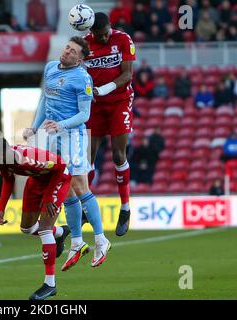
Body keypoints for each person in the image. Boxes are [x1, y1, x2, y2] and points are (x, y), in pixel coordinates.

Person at [23, 36, 111, 272]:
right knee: (67, 188)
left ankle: (101, 240)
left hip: (73, 137)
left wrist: (61, 125)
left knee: (81, 186)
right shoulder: (50, 67)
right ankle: (77, 242)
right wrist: (34, 126)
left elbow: (84, 115)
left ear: (81, 58)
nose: (67, 52)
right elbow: (44, 99)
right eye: (67, 48)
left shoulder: (83, 79)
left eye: (73, 51)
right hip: (52, 137)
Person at [0, 135, 71, 300]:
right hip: (36, 182)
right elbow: (8, 180)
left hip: (57, 180)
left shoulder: (27, 159)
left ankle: (50, 284)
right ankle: (60, 232)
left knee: (45, 230)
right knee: (27, 228)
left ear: (5, 152)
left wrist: (48, 198)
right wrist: (1, 208)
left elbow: (60, 167)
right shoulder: (2, 160)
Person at [83, 12, 135, 236]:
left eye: (105, 34)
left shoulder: (123, 39)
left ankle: (125, 207)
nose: (103, 39)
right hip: (94, 104)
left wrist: (103, 89)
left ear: (110, 28)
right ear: (91, 32)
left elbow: (127, 75)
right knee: (87, 159)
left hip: (119, 101)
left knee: (118, 155)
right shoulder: (84, 45)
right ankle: (87, 205)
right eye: (98, 35)